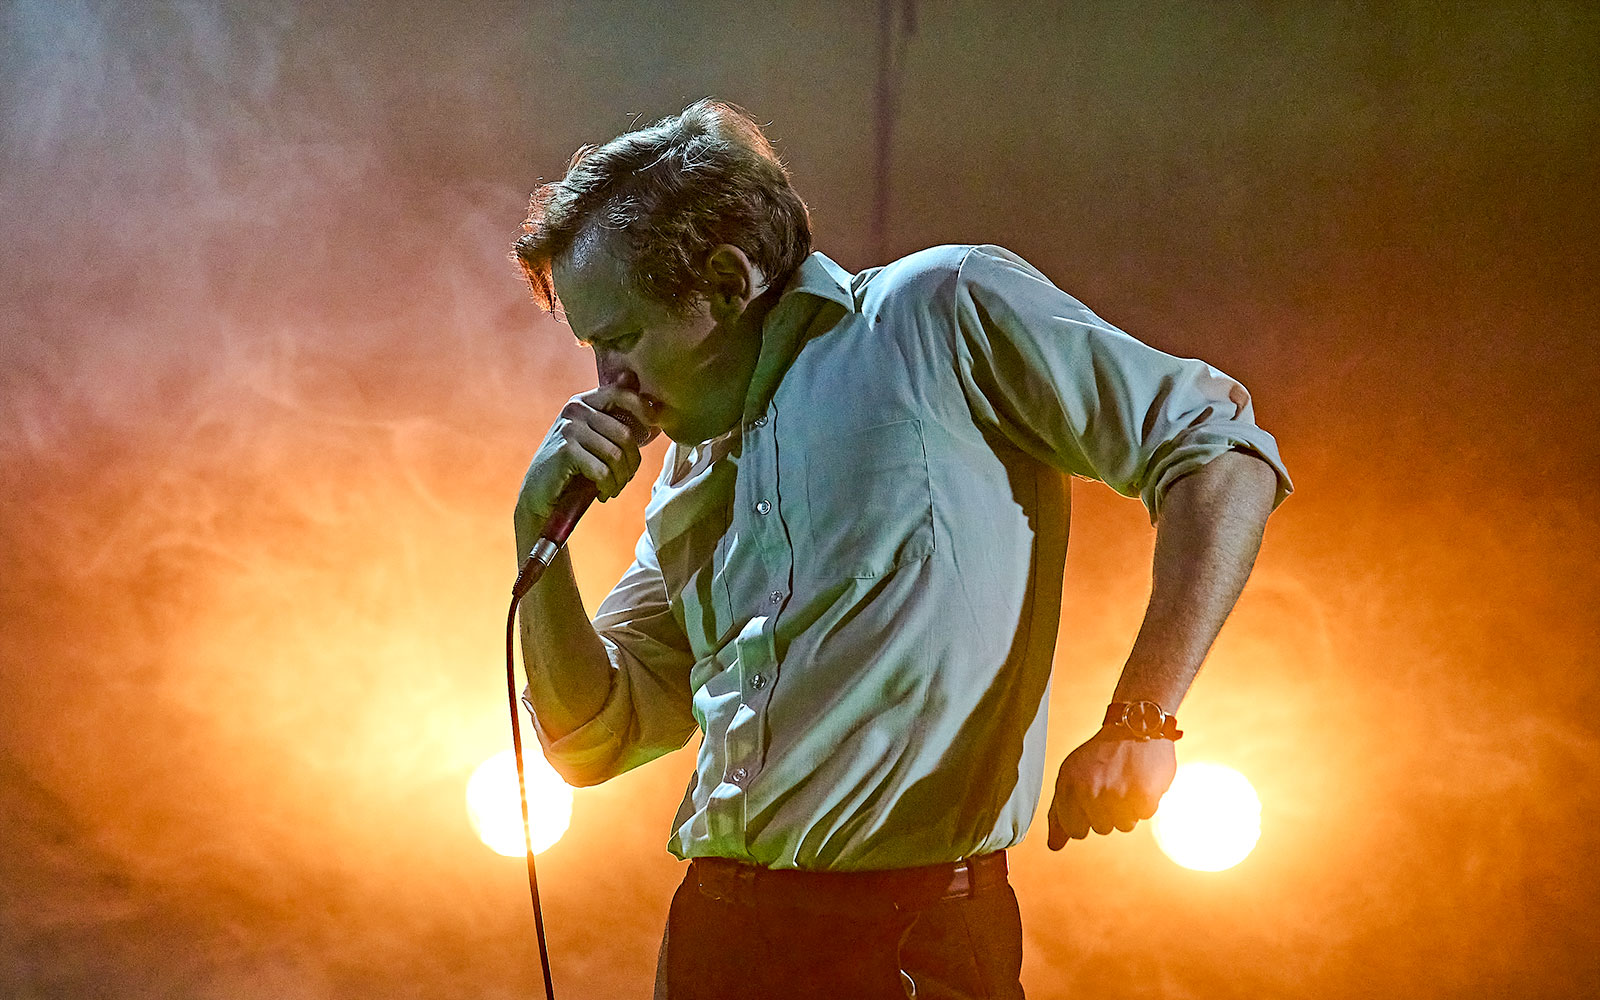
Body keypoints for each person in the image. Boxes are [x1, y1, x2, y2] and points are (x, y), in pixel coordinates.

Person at [509, 100, 1291, 1000]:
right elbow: (590, 737)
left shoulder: (939, 311)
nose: (606, 383)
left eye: (619, 340)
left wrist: (1142, 715)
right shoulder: (689, 464)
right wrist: (539, 540)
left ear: (726, 283)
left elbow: (1219, 452)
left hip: (912, 936)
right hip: (718, 940)